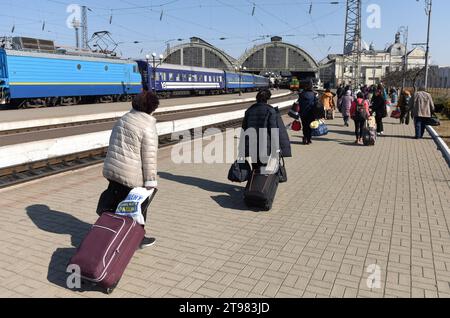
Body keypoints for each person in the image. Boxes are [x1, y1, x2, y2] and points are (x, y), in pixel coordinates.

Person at [97, 91, 159, 249]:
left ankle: (110, 234)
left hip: (113, 171)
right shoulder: (148, 126)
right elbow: (149, 157)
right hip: (131, 176)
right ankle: (137, 238)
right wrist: (150, 181)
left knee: (116, 207)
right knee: (138, 208)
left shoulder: (123, 119)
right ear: (152, 108)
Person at [241, 89, 291, 170]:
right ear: (267, 99)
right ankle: (262, 182)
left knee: (255, 168)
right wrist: (277, 148)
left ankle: (255, 182)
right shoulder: (270, 111)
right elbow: (273, 131)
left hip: (252, 145)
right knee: (264, 169)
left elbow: (244, 130)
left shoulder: (249, 110)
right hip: (265, 146)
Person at [298, 81, 318, 145]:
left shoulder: (301, 94)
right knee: (310, 126)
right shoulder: (313, 94)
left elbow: (299, 103)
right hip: (311, 113)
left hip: (303, 113)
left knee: (305, 126)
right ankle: (309, 139)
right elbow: (316, 104)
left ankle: (305, 137)